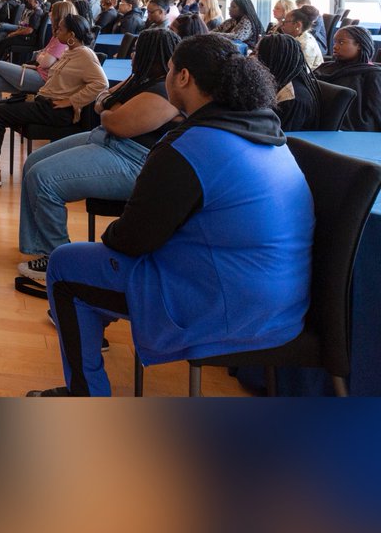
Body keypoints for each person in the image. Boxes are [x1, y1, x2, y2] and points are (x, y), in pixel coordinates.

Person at [29, 35, 313, 397]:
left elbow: (131, 240)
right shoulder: (266, 132)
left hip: (228, 306)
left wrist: (117, 233)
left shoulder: (190, 146)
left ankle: (84, 395)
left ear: (183, 78)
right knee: (102, 266)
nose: (165, 77)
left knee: (66, 266)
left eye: (169, 70)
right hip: (284, 303)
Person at [15, 28, 183, 287]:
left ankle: (58, 258)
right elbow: (101, 100)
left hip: (132, 159)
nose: (133, 54)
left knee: (44, 178)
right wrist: (110, 109)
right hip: (108, 139)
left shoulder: (164, 92)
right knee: (33, 163)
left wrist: (109, 110)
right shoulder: (140, 79)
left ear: (152, 54)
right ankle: (40, 246)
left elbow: (117, 121)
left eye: (139, 49)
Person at [0, 14, 109, 188]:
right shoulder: (71, 52)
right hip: (45, 103)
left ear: (72, 35)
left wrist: (71, 101)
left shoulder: (85, 54)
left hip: (57, 111)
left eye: (60, 28)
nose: (56, 31)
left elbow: (101, 83)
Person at [0, 0, 71, 109]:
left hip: (43, 80)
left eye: (52, 11)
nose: (49, 13)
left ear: (59, 15)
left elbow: (45, 62)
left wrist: (41, 55)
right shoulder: (57, 35)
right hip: (39, 73)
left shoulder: (60, 40)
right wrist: (42, 55)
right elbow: (41, 54)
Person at [315, 25, 381, 131]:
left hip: (350, 130)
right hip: (317, 120)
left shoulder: (372, 75)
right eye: (335, 42)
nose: (335, 46)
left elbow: (375, 114)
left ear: (359, 45)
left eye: (341, 42)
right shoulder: (326, 67)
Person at [254, 33, 320, 131]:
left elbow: (281, 135)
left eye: (257, 54)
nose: (253, 58)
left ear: (272, 58)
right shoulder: (279, 79)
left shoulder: (293, 98)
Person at [279, 5, 324, 70]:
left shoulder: (305, 45)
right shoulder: (298, 38)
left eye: (285, 21)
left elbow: (302, 73)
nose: (282, 24)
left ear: (297, 25)